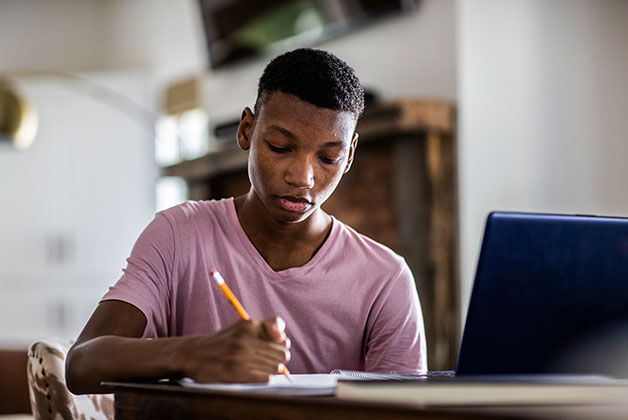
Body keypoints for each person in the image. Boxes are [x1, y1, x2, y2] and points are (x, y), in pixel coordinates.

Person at [65, 48, 427, 394]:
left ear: (349, 157)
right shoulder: (178, 235)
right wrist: (195, 354)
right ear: (246, 131)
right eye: (280, 147)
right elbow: (81, 365)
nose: (303, 177)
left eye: (328, 158)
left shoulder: (386, 279)